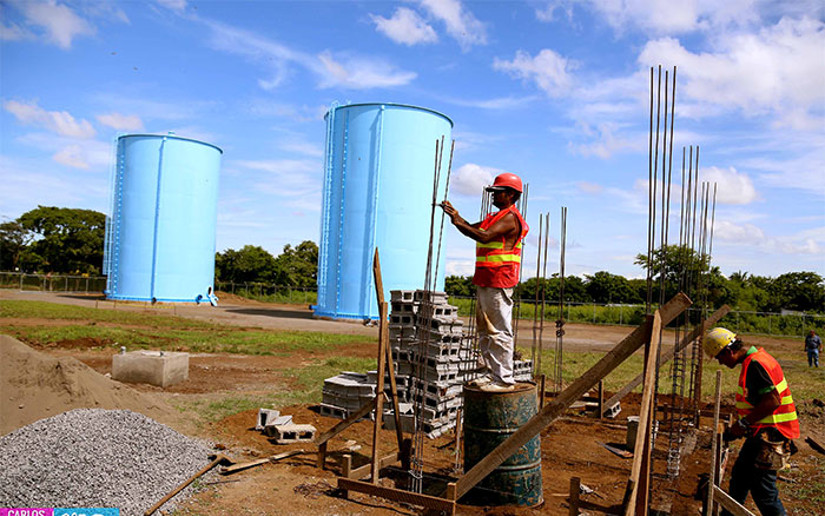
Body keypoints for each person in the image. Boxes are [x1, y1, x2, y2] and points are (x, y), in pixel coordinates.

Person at [441, 172, 528, 392]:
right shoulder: (495, 217)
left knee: (498, 331)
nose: (492, 196)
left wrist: (458, 221)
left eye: (497, 193)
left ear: (510, 195)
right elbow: (472, 228)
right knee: (486, 330)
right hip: (486, 279)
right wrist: (456, 218)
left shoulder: (510, 218)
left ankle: (503, 379)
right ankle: (492, 374)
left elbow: (483, 236)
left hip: (499, 280)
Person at [704, 327, 800, 516]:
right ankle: (730, 513)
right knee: (740, 478)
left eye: (719, 357)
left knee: (763, 491)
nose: (721, 363)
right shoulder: (755, 360)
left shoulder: (756, 364)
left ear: (729, 351)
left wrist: (742, 424)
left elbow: (772, 401)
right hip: (761, 433)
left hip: (769, 436)